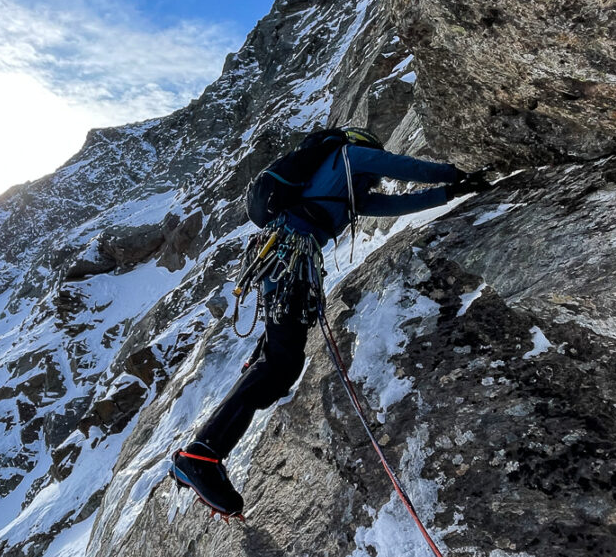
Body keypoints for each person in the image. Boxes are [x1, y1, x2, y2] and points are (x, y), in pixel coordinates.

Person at [169, 126, 491, 519]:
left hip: (286, 264)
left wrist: (452, 193)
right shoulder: (348, 157)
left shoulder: (345, 194)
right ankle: (201, 456)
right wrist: (454, 174)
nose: (372, 176)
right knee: (281, 364)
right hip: (289, 263)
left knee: (278, 362)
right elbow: (401, 167)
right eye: (369, 164)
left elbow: (395, 206)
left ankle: (200, 456)